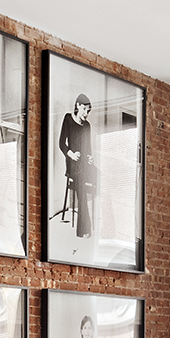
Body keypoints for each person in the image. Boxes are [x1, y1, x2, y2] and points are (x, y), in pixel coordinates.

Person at [57, 91, 98, 239]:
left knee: (102, 176)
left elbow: (88, 148)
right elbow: (61, 144)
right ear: (78, 106)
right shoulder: (68, 119)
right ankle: (83, 230)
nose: (86, 113)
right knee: (81, 184)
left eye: (88, 111)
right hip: (73, 165)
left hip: (84, 164)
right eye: (85, 110)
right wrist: (72, 154)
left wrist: (90, 158)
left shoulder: (87, 126)